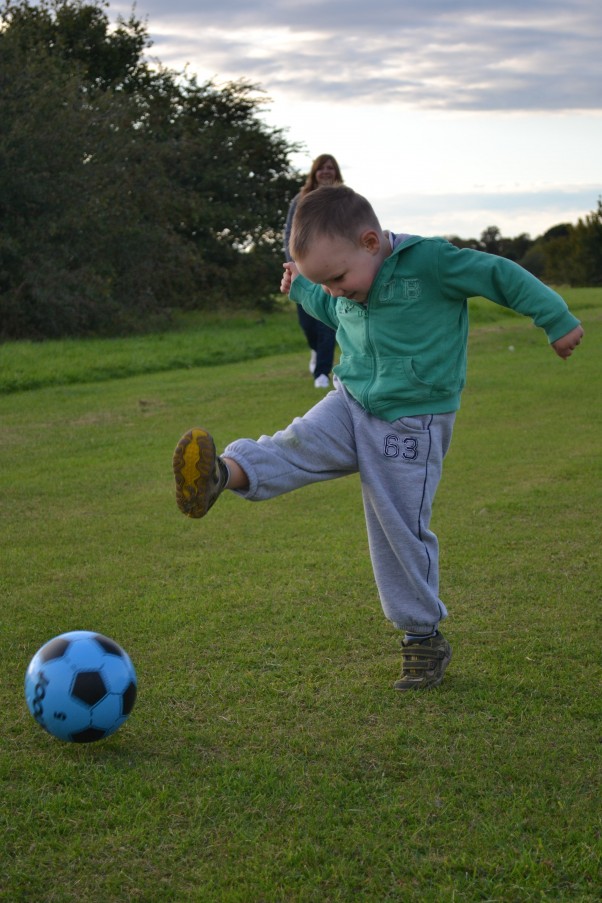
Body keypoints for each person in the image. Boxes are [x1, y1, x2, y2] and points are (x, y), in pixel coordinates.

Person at [173, 186, 584, 691]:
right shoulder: (346, 283)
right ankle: (222, 474)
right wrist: (305, 290)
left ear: (371, 241)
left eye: (339, 278)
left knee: (396, 527)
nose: (338, 291)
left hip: (413, 421)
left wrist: (555, 319)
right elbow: (337, 310)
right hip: (352, 400)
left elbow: (499, 275)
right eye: (327, 283)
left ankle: (422, 637)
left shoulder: (430, 261)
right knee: (296, 443)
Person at [284, 154, 342, 388]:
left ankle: (321, 374)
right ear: (314, 172)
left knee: (326, 321)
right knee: (308, 323)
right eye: (321, 168)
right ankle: (316, 351)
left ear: (336, 172)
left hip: (334, 267)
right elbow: (290, 232)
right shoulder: (301, 199)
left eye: (330, 168)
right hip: (305, 267)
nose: (326, 172)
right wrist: (293, 263)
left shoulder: (343, 199)